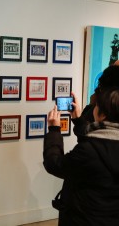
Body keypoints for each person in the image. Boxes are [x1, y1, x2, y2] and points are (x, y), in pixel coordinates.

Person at [43, 87, 119, 225]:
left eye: (96, 106)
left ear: (102, 114)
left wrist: (54, 130)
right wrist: (78, 119)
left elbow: (54, 164)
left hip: (83, 218)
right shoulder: (97, 145)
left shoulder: (89, 150)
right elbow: (96, 140)